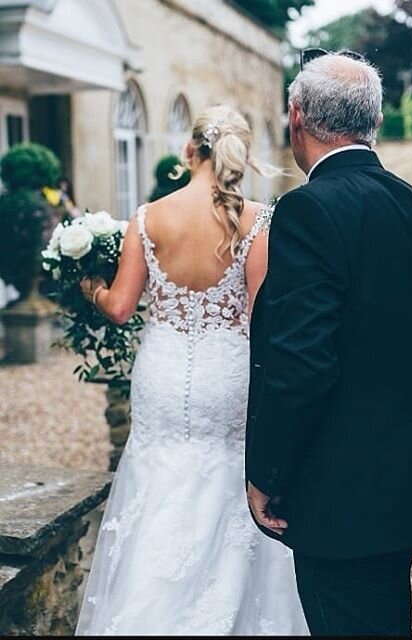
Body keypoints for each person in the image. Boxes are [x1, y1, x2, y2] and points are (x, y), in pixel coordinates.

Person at [245, 51, 412, 636]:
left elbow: (300, 364)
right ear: (374, 121)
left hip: (336, 490)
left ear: (297, 117)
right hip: (405, 476)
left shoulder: (305, 210)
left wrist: (267, 473)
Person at [75, 105, 308, 636]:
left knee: (159, 476)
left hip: (163, 371)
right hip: (227, 372)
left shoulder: (147, 217)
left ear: (189, 150)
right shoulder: (258, 221)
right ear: (240, 156)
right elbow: (261, 317)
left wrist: (90, 286)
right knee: (230, 473)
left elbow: (119, 307)